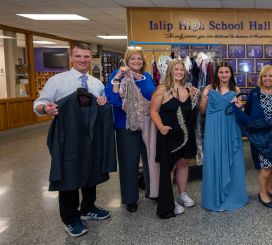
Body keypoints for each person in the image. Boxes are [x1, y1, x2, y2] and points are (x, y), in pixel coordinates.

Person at [33, 43, 113, 237]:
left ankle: (88, 208)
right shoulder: (57, 81)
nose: (83, 60)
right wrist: (45, 109)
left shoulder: (96, 83)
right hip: (67, 137)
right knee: (69, 173)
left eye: (86, 57)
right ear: (71, 58)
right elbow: (39, 103)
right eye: (78, 56)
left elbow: (101, 104)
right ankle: (70, 218)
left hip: (91, 135)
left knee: (90, 169)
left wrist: (103, 101)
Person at [105, 48, 156, 213]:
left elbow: (154, 97)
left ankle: (153, 191)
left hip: (148, 124)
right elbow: (111, 99)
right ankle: (130, 199)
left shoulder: (147, 77)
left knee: (151, 159)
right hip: (125, 124)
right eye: (132, 59)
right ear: (127, 60)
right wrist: (119, 80)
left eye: (139, 59)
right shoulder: (117, 75)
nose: (136, 61)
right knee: (128, 163)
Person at [232, 65, 272, 208]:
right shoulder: (255, 94)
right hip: (261, 137)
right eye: (265, 76)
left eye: (270, 76)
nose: (267, 78)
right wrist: (239, 108)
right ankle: (262, 193)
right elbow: (248, 114)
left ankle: (270, 188)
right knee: (265, 167)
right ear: (261, 78)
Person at [150, 59, 198, 219]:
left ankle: (183, 194)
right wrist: (161, 127)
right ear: (170, 71)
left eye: (181, 70)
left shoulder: (188, 90)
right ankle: (170, 201)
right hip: (169, 135)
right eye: (176, 69)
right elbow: (153, 111)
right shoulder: (161, 90)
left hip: (187, 134)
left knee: (184, 164)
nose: (179, 72)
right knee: (169, 167)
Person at [200, 62, 248, 211]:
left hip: (230, 128)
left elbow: (240, 110)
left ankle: (232, 195)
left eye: (227, 72)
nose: (224, 75)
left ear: (231, 74)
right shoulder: (210, 88)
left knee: (231, 159)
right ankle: (214, 197)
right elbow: (202, 111)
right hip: (213, 128)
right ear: (217, 74)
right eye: (221, 72)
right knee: (214, 158)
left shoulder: (236, 90)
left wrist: (240, 106)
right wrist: (204, 96)